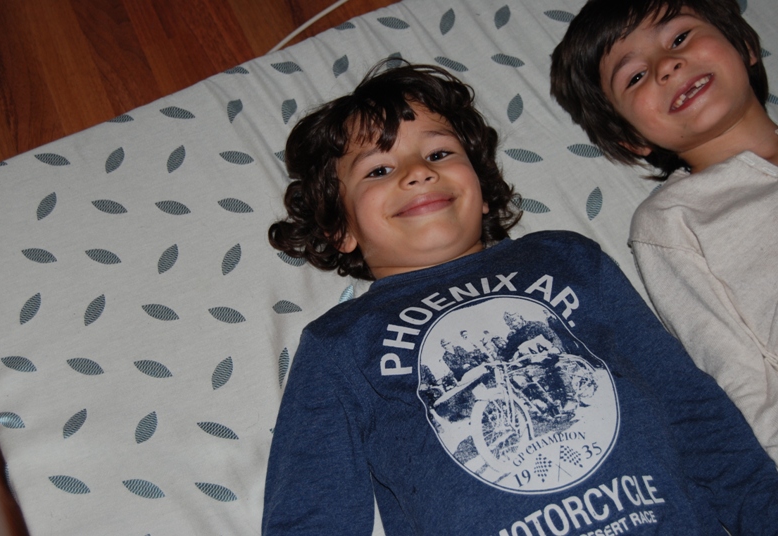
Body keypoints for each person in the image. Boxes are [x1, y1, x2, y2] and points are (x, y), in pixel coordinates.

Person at [263, 60, 778, 535]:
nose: (418, 171)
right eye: (378, 170)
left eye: (439, 153)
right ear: (341, 229)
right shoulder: (339, 342)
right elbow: (311, 510)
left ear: (483, 190)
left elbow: (689, 405)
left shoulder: (567, 258)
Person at [550, 0, 778, 466]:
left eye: (680, 38)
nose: (667, 65)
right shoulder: (671, 220)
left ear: (744, 44)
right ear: (631, 138)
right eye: (634, 77)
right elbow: (739, 376)